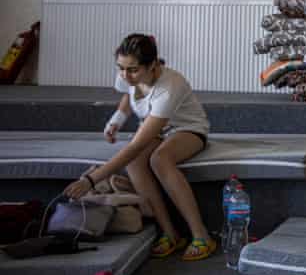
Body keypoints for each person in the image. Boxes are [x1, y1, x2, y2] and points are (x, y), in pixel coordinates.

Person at [63, 34, 217, 261]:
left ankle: (201, 235)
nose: (126, 75)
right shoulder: (128, 75)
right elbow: (128, 93)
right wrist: (117, 119)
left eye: (133, 70)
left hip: (188, 129)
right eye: (121, 68)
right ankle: (169, 233)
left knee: (159, 159)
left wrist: (91, 180)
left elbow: (135, 146)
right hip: (157, 128)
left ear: (153, 65)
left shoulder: (170, 86)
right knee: (136, 163)